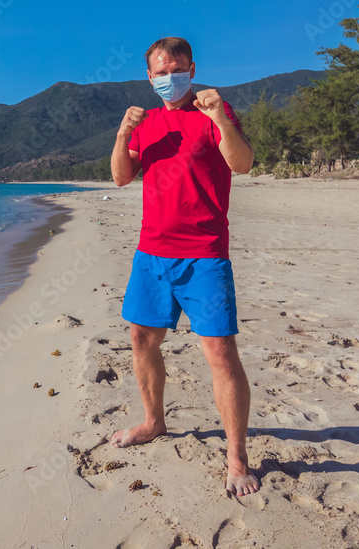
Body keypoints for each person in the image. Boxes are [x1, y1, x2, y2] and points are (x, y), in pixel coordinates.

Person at [108, 36, 260, 497]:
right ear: (149, 76)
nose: (167, 77)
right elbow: (120, 176)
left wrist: (219, 119)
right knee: (141, 338)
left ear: (191, 70)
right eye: (159, 71)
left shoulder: (215, 111)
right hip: (151, 253)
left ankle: (236, 456)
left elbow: (244, 163)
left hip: (205, 254)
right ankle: (154, 421)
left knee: (218, 351)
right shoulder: (146, 122)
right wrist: (120, 134)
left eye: (176, 69)